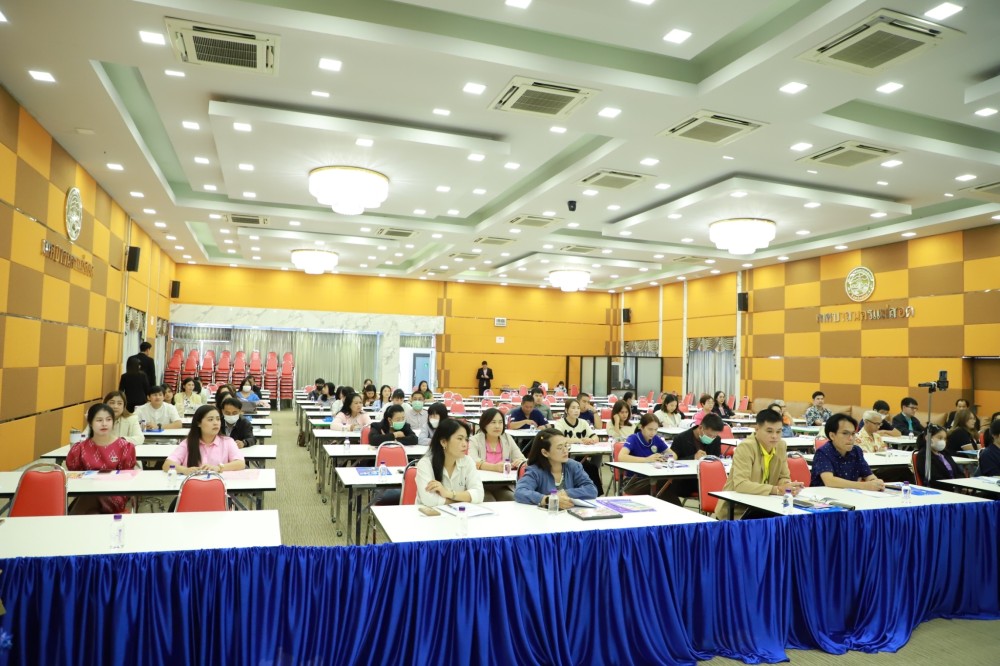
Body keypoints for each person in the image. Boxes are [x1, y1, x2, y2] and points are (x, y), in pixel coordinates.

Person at [715, 409, 801, 520]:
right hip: (738, 510)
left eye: (779, 431)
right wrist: (777, 490)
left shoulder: (781, 446)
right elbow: (741, 484)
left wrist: (788, 486)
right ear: (757, 429)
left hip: (766, 504)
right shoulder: (746, 447)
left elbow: (783, 476)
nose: (775, 436)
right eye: (769, 431)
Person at [66, 403, 138, 514]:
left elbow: (126, 478)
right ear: (90, 423)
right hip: (87, 491)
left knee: (92, 495)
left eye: (108, 420)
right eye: (99, 420)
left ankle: (70, 519)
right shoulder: (80, 448)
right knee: (91, 504)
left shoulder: (125, 447)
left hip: (114, 493)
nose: (104, 424)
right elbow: (75, 476)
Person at [514, 428, 598, 507]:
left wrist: (565, 493)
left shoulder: (573, 466)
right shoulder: (535, 471)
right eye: (559, 447)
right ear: (545, 452)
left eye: (566, 445)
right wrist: (548, 500)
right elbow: (520, 492)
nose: (565, 450)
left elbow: (591, 489)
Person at [659, 413, 725, 506]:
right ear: (701, 428)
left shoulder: (716, 440)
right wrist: (693, 457)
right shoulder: (681, 439)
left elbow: (716, 459)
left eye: (714, 436)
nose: (712, 438)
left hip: (707, 479)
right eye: (709, 435)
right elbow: (672, 462)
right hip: (686, 481)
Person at [415, 419, 483, 506]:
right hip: (430, 513)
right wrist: (462, 500)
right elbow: (429, 500)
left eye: (466, 439)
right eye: (460, 439)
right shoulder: (425, 464)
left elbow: (479, 494)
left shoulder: (468, 461)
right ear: (444, 442)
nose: (465, 444)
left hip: (459, 513)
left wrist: (448, 494)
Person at [163, 404, 246, 475]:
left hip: (218, 485)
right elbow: (167, 465)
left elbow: (240, 463)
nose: (216, 423)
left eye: (218, 419)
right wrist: (184, 470)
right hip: (193, 485)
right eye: (210, 419)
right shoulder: (187, 443)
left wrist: (218, 468)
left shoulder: (227, 442)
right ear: (199, 423)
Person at [810, 414, 884, 490]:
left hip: (850, 494)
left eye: (853, 433)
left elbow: (868, 474)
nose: (851, 438)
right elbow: (829, 481)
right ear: (832, 435)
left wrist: (875, 482)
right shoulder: (823, 452)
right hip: (823, 495)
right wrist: (864, 486)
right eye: (845, 433)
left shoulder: (856, 451)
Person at [469, 408, 525, 501]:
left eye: (500, 422)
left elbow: (522, 459)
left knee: (512, 499)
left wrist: (519, 462)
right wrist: (494, 467)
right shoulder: (474, 440)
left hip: (502, 485)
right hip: (481, 485)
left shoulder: (507, 438)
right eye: (493, 422)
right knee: (490, 501)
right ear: (484, 424)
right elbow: (472, 461)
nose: (497, 426)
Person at [552, 398, 602, 494]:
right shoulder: (560, 423)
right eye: (573, 408)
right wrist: (580, 440)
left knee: (592, 467)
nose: (576, 410)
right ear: (566, 410)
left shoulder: (583, 422)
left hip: (581, 455)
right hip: (565, 456)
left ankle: (596, 494)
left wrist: (591, 440)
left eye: (578, 408)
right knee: (588, 467)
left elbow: (595, 436)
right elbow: (559, 439)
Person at [619, 414, 674, 496]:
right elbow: (621, 456)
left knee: (668, 485)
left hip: (651, 477)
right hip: (633, 481)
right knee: (665, 484)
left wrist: (665, 458)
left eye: (655, 430)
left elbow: (673, 454)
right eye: (650, 429)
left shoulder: (656, 439)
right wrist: (646, 459)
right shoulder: (633, 438)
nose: (653, 433)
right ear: (641, 427)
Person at [914, 424, 961, 490]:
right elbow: (934, 478)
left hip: (956, 487)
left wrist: (962, 484)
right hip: (941, 489)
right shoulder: (924, 455)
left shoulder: (945, 453)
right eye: (940, 438)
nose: (943, 441)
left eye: (945, 439)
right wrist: (954, 486)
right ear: (928, 438)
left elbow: (958, 471)